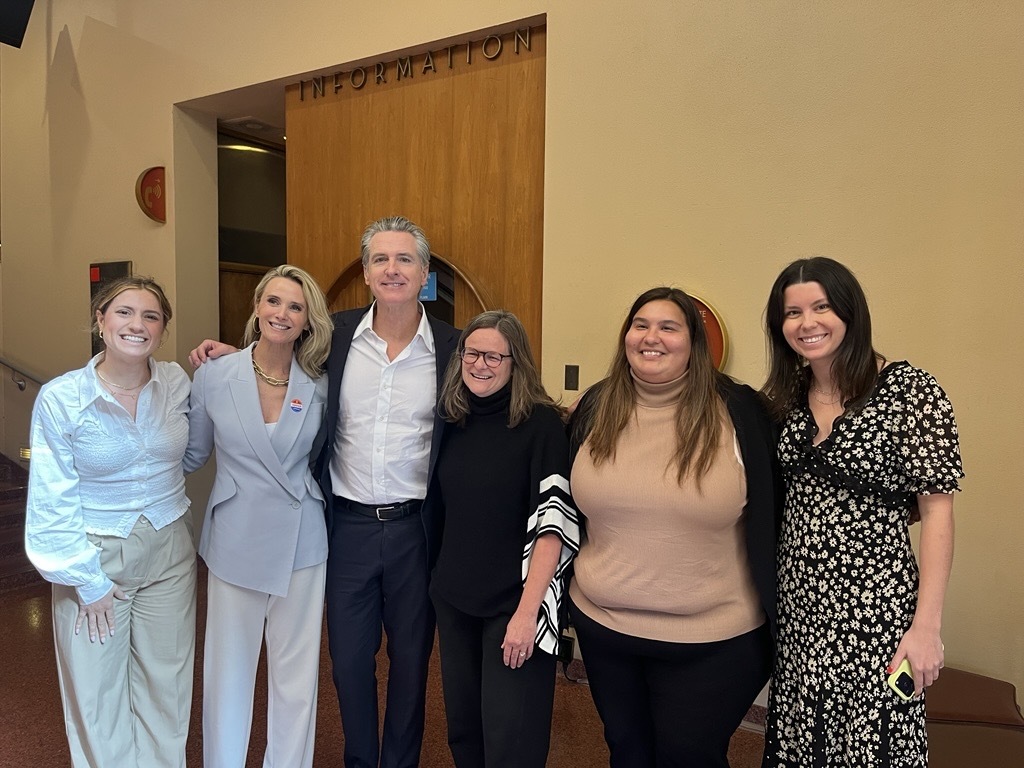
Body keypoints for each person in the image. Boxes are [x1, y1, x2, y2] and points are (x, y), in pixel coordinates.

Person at [189, 215, 460, 768]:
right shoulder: (333, 338)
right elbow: (272, 350)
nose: (392, 269)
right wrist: (228, 358)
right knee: (348, 664)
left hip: (416, 530)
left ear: (425, 272)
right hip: (347, 529)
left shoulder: (454, 349)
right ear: (364, 272)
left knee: (412, 665)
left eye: (404, 259)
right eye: (380, 259)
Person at [759, 257, 962, 767]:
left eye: (822, 307)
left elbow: (936, 512)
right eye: (793, 312)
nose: (807, 323)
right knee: (803, 738)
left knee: (873, 741)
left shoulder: (908, 390)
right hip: (799, 606)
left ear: (850, 311)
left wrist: (926, 628)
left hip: (877, 611)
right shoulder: (784, 397)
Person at [566, 286, 780, 768]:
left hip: (713, 641)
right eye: (640, 325)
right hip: (605, 630)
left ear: (695, 342)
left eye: (669, 327)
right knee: (627, 751)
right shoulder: (597, 407)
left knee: (688, 756)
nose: (651, 337)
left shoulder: (741, 412)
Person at [25, 276, 196, 768]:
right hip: (95, 556)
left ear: (162, 331)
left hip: (170, 551)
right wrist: (86, 578)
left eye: (150, 316)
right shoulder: (63, 399)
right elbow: (50, 498)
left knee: (167, 685)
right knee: (97, 694)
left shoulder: (175, 383)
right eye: (124, 312)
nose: (136, 325)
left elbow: (192, 449)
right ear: (100, 321)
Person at [183, 265, 333, 767]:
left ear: (308, 320)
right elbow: (190, 455)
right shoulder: (212, 375)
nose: (281, 313)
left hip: (302, 543)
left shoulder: (319, 384)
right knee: (227, 673)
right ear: (256, 306)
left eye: (294, 306)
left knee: (296, 678)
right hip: (234, 541)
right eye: (273, 301)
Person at [429, 310, 580, 768]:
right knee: (464, 729)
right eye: (472, 353)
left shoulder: (542, 425)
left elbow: (553, 527)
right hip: (454, 599)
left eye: (495, 356)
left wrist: (527, 613)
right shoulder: (450, 420)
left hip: (514, 605)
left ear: (517, 363)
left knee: (509, 736)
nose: (481, 364)